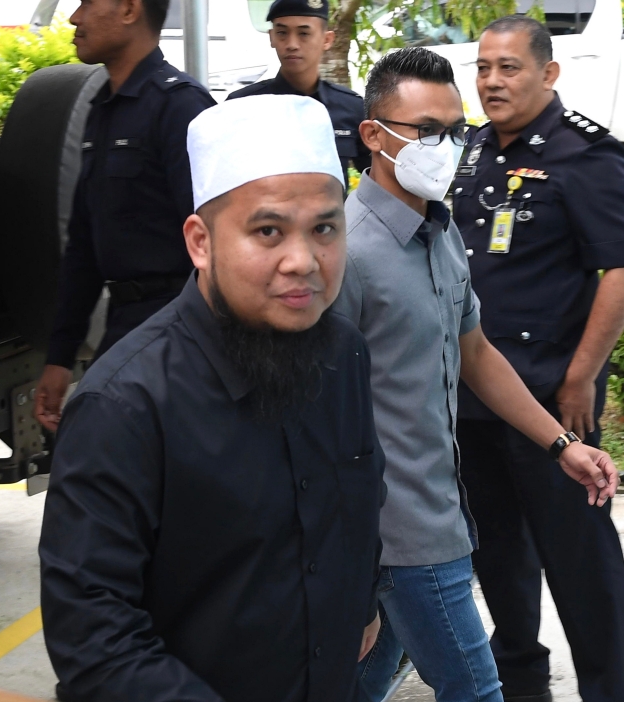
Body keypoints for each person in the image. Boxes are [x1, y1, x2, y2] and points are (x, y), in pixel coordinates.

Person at [39, 94, 386, 702]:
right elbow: (95, 640)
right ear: (201, 243)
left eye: (325, 229)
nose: (302, 261)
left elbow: (358, 505)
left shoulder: (343, 353)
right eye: (268, 231)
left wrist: (362, 604)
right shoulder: (125, 405)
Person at [331, 47, 621, 702]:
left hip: (441, 514)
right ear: (374, 137)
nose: (447, 146)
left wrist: (561, 445)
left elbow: (478, 354)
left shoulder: (440, 235)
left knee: (358, 687)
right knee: (479, 690)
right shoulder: (345, 255)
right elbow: (315, 415)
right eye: (426, 131)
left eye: (455, 130)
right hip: (401, 539)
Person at [452, 16, 624, 702]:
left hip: (549, 398)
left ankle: (610, 687)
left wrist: (581, 375)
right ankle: (522, 684)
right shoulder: (470, 149)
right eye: (483, 68)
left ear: (548, 73)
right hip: (471, 398)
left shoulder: (583, 154)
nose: (492, 81)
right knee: (497, 555)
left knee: (579, 560)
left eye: (508, 67)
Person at [33, 0, 215, 432]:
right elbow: (83, 246)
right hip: (125, 323)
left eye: (86, 3)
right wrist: (60, 357)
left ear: (131, 9)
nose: (75, 18)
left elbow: (217, 244)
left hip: (179, 331)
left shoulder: (180, 107)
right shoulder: (103, 110)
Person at [226, 0, 369, 183]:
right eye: (282, 33)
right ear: (272, 37)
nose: (292, 44)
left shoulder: (351, 107)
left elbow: (375, 181)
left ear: (327, 40)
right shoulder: (241, 106)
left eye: (303, 33)